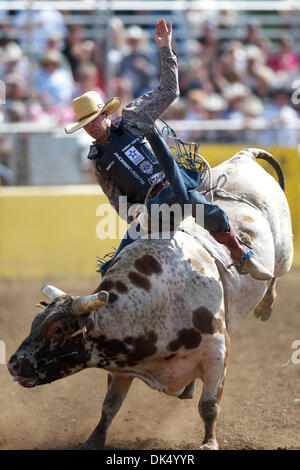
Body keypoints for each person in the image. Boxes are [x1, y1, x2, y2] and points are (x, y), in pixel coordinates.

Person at [65, 19, 272, 281]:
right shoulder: (97, 160)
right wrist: (133, 213)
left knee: (201, 206)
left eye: (93, 119)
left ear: (106, 113)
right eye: (85, 124)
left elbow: (169, 90)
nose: (91, 127)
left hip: (174, 185)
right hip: (150, 210)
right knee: (114, 265)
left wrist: (165, 49)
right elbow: (115, 199)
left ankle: (238, 252)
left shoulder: (132, 118)